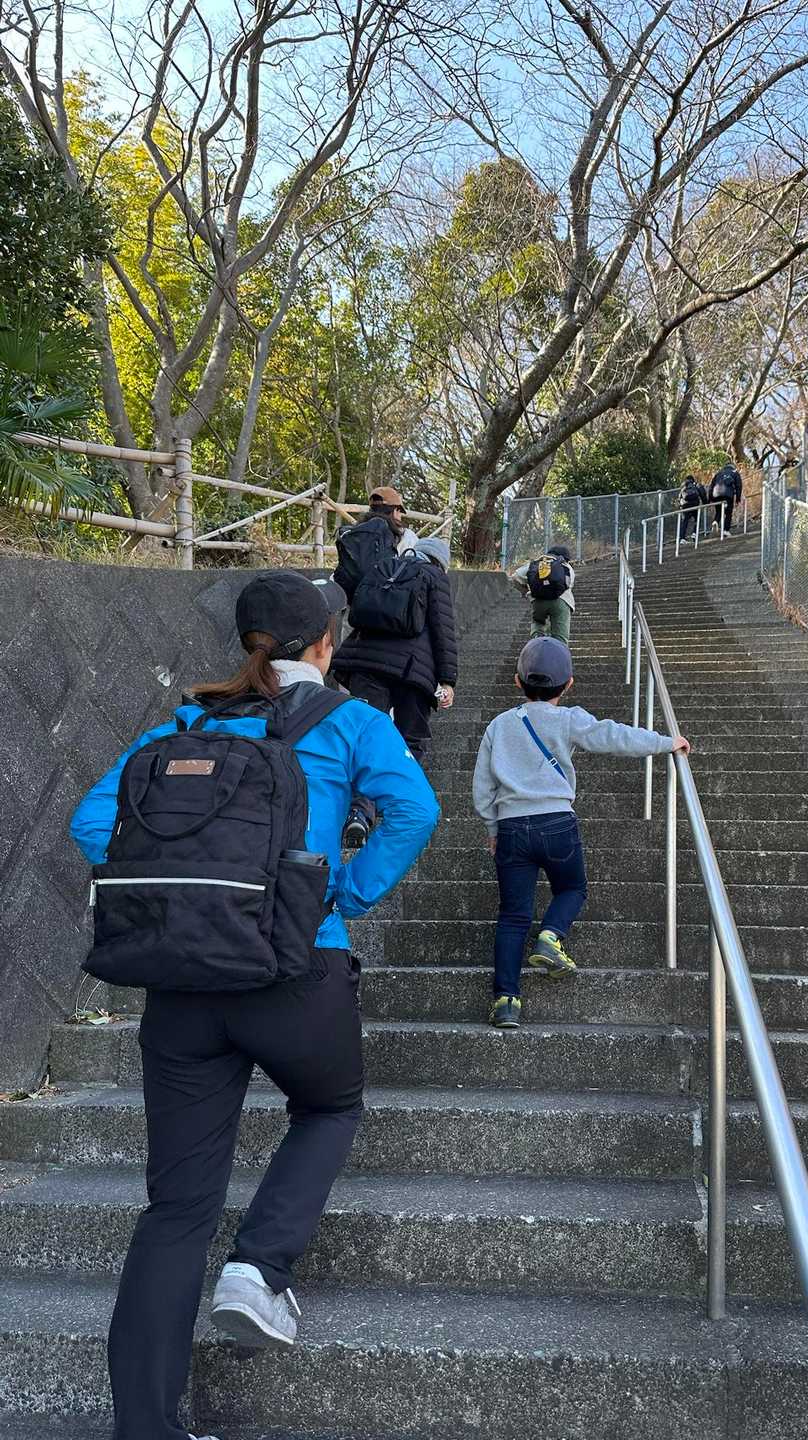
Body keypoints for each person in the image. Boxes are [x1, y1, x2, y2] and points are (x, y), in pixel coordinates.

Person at [69, 569, 440, 1440]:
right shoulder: (352, 721)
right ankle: (260, 1268)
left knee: (174, 1209)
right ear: (326, 644)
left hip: (183, 990)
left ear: (246, 643)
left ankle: (144, 1428)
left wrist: (183, 900)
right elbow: (414, 810)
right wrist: (341, 893)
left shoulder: (181, 726)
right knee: (330, 1107)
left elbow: (92, 824)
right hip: (295, 969)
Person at [472, 637, 690, 1029]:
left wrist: (493, 828)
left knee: (513, 915)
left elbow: (482, 787)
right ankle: (550, 936)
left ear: (517, 681)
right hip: (557, 823)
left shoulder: (499, 725)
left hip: (512, 828)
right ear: (569, 684)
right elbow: (614, 736)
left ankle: (506, 1001)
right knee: (572, 889)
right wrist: (664, 743)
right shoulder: (570, 719)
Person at [332, 507, 458, 763]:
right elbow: (443, 629)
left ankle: (363, 788)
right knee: (411, 739)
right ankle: (403, 786)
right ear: (440, 563)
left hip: (365, 664)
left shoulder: (385, 566)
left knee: (366, 734)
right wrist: (447, 681)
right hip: (411, 673)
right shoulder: (434, 576)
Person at [510, 543, 575, 644]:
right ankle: (559, 651)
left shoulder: (537, 564)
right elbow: (569, 583)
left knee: (537, 632)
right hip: (561, 601)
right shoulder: (565, 565)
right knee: (560, 638)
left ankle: (536, 647)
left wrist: (527, 592)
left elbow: (515, 577)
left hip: (539, 601)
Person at [709, 463, 743, 534]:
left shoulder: (719, 473)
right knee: (728, 512)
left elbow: (711, 486)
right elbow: (738, 486)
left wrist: (710, 499)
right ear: (733, 467)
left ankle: (715, 521)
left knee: (719, 511)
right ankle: (726, 530)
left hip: (716, 494)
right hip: (727, 495)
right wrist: (738, 499)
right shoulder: (735, 472)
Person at [679, 474, 706, 541]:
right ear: (693, 479)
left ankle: (682, 538)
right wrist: (705, 503)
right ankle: (694, 533)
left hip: (685, 506)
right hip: (694, 504)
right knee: (697, 519)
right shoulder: (696, 485)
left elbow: (680, 497)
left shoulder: (683, 486)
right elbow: (702, 494)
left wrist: (681, 506)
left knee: (684, 521)